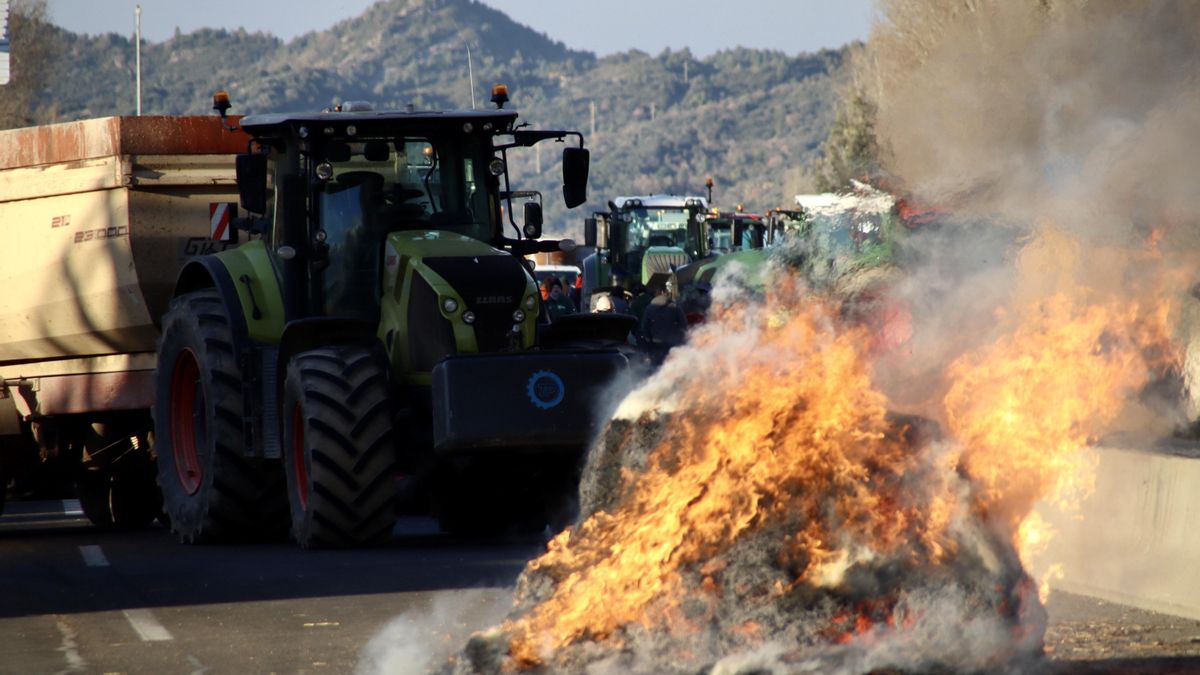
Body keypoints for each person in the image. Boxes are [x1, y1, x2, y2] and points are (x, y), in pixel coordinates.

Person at [639, 281, 688, 365]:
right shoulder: (675, 307)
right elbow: (684, 325)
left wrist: (648, 344)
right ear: (665, 292)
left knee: (656, 369)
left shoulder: (649, 308)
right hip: (672, 345)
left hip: (655, 344)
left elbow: (645, 327)